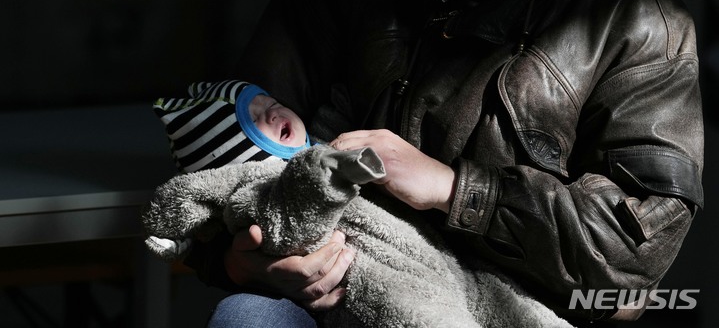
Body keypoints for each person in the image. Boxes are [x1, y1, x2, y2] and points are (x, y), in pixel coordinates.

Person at [186, 0, 705, 326]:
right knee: (249, 316)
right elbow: (227, 150)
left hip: (509, 306)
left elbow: (638, 245)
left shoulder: (637, 22)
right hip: (341, 286)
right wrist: (241, 262)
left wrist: (454, 189)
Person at [144, 79, 574, 328]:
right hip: (378, 286)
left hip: (457, 264)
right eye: (255, 120)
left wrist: (453, 188)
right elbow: (189, 198)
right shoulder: (260, 186)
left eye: (273, 105)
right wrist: (230, 261)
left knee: (514, 308)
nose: (275, 114)